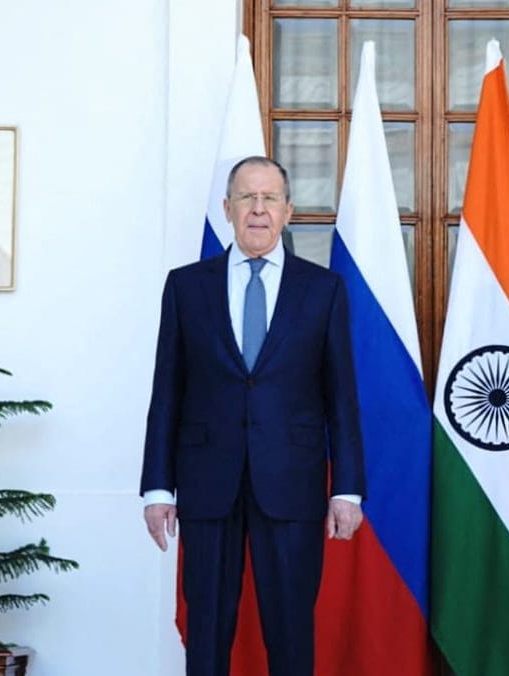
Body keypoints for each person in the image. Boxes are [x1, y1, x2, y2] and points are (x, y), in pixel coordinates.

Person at [140, 156, 366, 676]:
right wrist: (157, 488)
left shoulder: (323, 290)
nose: (258, 210)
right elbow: (166, 390)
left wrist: (348, 487)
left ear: (288, 211)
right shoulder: (186, 286)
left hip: (292, 482)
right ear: (227, 208)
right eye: (247, 198)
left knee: (290, 631)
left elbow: (341, 396)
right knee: (208, 632)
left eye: (269, 199)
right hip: (206, 483)